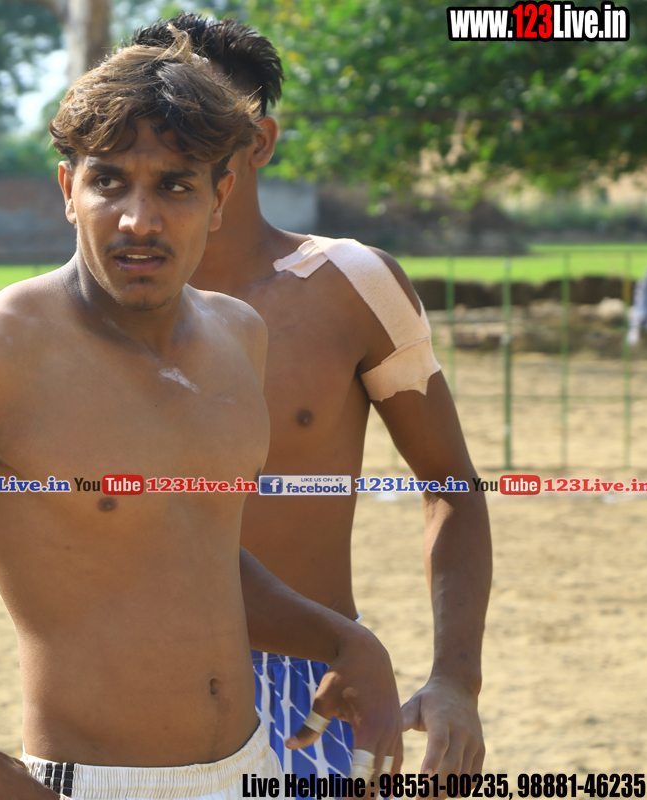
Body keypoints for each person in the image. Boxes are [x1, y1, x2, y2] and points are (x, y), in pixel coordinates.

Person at [0, 36, 403, 800]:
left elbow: (193, 553)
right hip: (92, 784)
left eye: (174, 185)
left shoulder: (239, 337)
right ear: (69, 188)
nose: (138, 219)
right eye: (109, 181)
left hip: (250, 769)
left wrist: (343, 641)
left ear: (220, 196)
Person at [131, 14, 492, 779]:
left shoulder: (350, 287)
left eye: (196, 127)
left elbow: (451, 485)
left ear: (259, 142)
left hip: (316, 684)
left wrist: (456, 681)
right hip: (125, 679)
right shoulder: (77, 311)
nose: (166, 150)